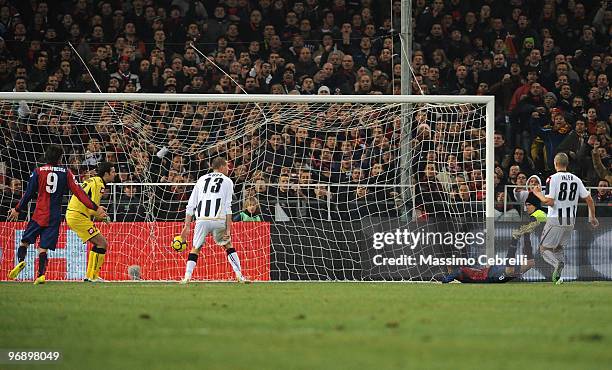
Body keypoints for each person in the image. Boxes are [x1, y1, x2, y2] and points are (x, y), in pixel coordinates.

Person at [7, 145, 107, 284]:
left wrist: (17, 209)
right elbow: (79, 193)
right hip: (54, 216)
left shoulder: (38, 171)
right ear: (60, 158)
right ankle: (41, 275)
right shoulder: (66, 173)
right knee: (43, 247)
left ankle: (21, 260)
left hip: (39, 214)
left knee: (25, 241)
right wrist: (95, 207)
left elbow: (28, 194)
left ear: (46, 156)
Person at [179, 157, 248, 284]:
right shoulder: (227, 181)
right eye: (227, 166)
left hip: (202, 219)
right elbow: (228, 207)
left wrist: (187, 226)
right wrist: (228, 229)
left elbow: (190, 204)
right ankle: (239, 275)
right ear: (221, 167)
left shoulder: (201, 179)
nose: (229, 168)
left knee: (196, 248)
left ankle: (187, 277)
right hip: (219, 218)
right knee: (228, 245)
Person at [533, 153, 599, 284]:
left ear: (555, 163)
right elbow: (589, 199)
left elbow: (550, 201)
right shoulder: (576, 179)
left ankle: (557, 263)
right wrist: (592, 217)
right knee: (558, 248)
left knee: (544, 249)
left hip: (555, 219)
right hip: (570, 221)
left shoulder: (552, 178)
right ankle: (558, 278)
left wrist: (538, 194)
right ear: (567, 164)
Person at [65, 162, 116, 282]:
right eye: (113, 172)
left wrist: (99, 211)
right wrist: (103, 216)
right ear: (106, 173)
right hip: (78, 216)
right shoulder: (99, 184)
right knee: (102, 243)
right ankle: (93, 276)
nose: (115, 174)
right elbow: (92, 209)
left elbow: (91, 206)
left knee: (99, 243)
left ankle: (90, 276)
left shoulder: (92, 180)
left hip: (74, 214)